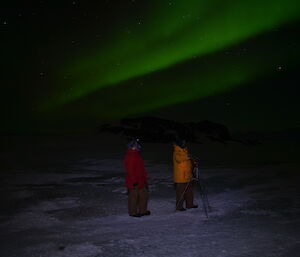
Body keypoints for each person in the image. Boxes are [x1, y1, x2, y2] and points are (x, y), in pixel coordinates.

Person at [124, 138, 150, 217]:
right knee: (133, 197)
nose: (139, 146)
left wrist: (145, 178)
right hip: (134, 181)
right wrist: (134, 181)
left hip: (141, 179)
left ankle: (143, 211)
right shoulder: (130, 156)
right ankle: (133, 213)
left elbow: (141, 168)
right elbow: (130, 171)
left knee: (144, 195)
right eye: (137, 145)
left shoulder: (137, 155)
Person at [173, 139, 198, 211]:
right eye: (182, 143)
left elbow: (188, 163)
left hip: (188, 175)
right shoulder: (176, 151)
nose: (184, 144)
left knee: (189, 192)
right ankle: (179, 207)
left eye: (184, 143)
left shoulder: (185, 151)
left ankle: (189, 204)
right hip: (180, 177)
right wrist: (188, 157)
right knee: (180, 192)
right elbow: (179, 159)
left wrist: (193, 161)